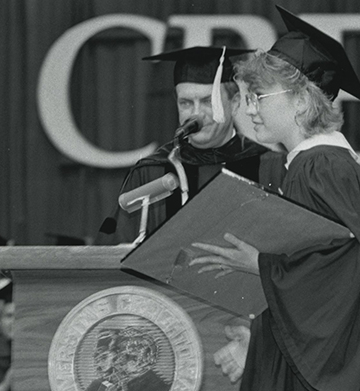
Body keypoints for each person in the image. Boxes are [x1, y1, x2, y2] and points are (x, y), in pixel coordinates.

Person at [190, 6, 360, 391]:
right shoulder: (312, 164)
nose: (251, 109)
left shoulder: (322, 167)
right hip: (313, 355)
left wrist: (258, 264)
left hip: (326, 377)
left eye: (261, 96)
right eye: (248, 97)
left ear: (300, 100)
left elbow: (341, 266)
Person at [99, 46, 286, 244]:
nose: (196, 114)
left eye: (207, 101)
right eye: (186, 103)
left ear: (235, 102)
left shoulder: (270, 167)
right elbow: (113, 248)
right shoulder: (152, 171)